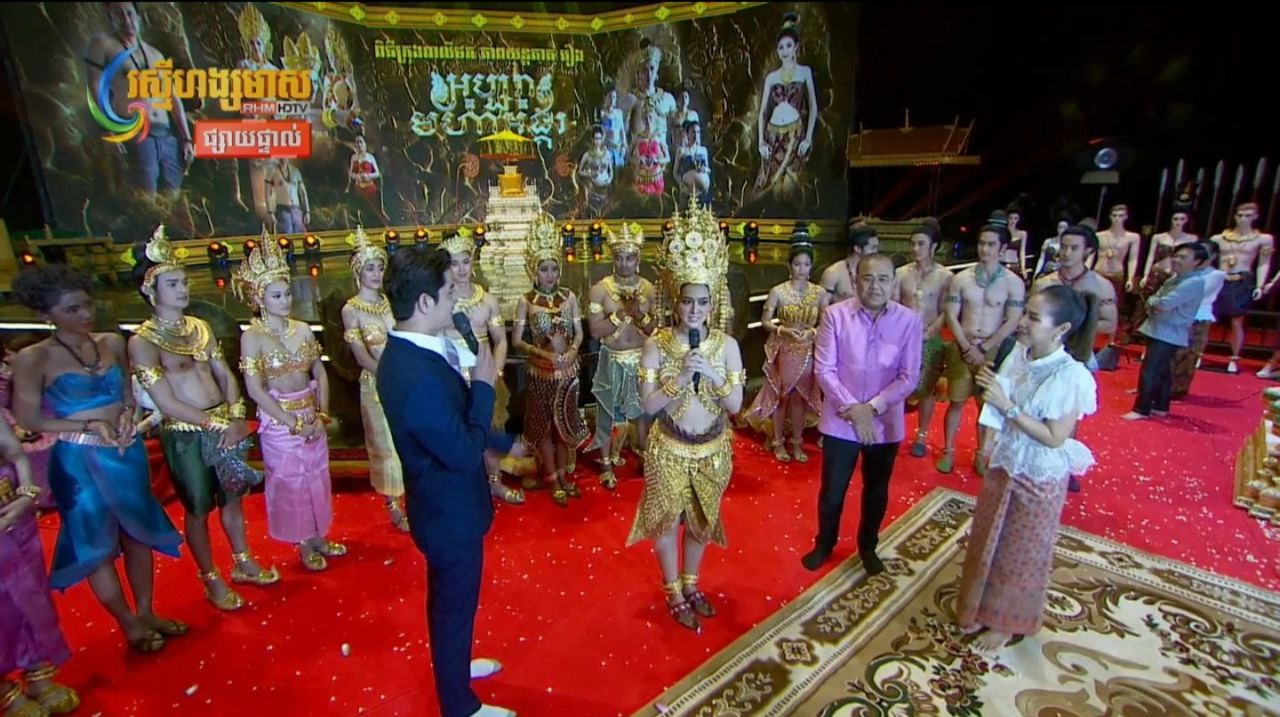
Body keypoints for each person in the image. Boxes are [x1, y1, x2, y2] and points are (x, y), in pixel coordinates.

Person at [377, 246, 524, 717]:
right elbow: (461, 451)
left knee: (451, 604)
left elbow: (450, 419)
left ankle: (454, 667)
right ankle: (460, 706)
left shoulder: (413, 352)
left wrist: (503, 441)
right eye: (447, 292)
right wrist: (483, 385)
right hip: (447, 513)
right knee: (452, 606)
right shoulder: (412, 373)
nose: (455, 299)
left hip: (444, 507)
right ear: (424, 302)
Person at [10, 265, 184, 653]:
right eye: (71, 310)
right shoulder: (34, 358)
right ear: (45, 314)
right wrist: (88, 424)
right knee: (96, 545)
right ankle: (128, 624)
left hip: (125, 450)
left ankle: (146, 611)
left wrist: (128, 416)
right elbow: (28, 418)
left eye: (87, 304)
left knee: (139, 533)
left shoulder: (111, 342)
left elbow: (127, 394)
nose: (85, 314)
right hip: (77, 459)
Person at [130, 226, 278, 612]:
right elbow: (165, 401)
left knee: (233, 498)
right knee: (198, 508)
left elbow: (224, 374)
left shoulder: (200, 327)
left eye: (183, 282)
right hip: (186, 434)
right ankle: (210, 577)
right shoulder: (143, 341)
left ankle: (243, 561)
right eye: (172, 284)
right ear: (150, 290)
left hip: (224, 422)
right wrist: (216, 425)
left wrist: (236, 414)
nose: (183, 289)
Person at [958, 285, 1098, 653]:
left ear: (1061, 329)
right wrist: (988, 437)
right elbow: (997, 404)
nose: (1021, 323)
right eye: (1025, 313)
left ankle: (1006, 623)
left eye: (1033, 318)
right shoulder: (1019, 355)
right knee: (989, 538)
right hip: (1005, 461)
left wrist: (1007, 406)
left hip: (1038, 473)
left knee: (1021, 551)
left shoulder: (1071, 376)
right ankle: (980, 608)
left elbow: (1054, 437)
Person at [628, 201, 745, 632]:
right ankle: (673, 589)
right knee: (665, 521)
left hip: (713, 448)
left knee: (701, 521)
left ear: (713, 303)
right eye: (688, 301)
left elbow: (735, 406)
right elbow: (647, 406)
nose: (695, 310)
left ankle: (692, 582)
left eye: (703, 302)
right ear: (676, 302)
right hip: (669, 447)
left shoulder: (726, 346)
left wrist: (711, 374)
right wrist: (679, 377)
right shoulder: (656, 345)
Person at [802, 254, 922, 576]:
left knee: (876, 491)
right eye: (868, 278)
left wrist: (872, 408)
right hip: (841, 420)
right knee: (832, 492)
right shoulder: (834, 315)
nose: (875, 286)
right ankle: (824, 543)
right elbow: (824, 370)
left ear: (893, 283)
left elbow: (909, 377)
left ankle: (868, 546)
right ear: (855, 281)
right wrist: (855, 410)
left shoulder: (909, 321)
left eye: (883, 279)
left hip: (884, 423)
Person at [236, 234, 345, 571]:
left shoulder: (302, 329)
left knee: (318, 477)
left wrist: (321, 414)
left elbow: (319, 373)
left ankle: (319, 535)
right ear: (259, 297)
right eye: (276, 295)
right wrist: (293, 424)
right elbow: (255, 390)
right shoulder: (252, 337)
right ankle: (302, 542)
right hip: (279, 419)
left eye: (287, 294)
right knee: (291, 482)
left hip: (310, 412)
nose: (285, 301)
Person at [0, 419, 81, 717]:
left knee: (30, 593)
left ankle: (39, 677)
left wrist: (26, 493)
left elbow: (16, 453)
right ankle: (5, 693)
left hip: (13, 511)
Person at [511, 213, 589, 506]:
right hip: (541, 372)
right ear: (534, 271)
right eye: (544, 269)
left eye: (554, 269)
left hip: (568, 371)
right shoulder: (527, 301)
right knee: (545, 426)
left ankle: (565, 475)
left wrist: (572, 351)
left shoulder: (569, 297)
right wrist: (544, 354)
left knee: (564, 425)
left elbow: (579, 332)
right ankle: (552, 478)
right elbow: (517, 341)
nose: (550, 275)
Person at [442, 229, 524, 505]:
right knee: (457, 434)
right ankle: (464, 487)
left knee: (491, 430)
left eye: (465, 262)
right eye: (454, 263)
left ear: (472, 262)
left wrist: (495, 372)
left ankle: (495, 482)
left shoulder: (487, 300)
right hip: (453, 379)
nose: (461, 269)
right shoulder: (441, 303)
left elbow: (500, 341)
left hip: (485, 376)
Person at [937, 223, 1026, 474]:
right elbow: (951, 315)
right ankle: (948, 452)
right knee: (956, 402)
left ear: (1003, 248)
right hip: (962, 346)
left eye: (991, 244)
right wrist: (967, 347)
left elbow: (1013, 321)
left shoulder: (1013, 283)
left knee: (986, 405)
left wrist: (985, 347)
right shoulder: (961, 278)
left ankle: (981, 454)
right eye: (981, 243)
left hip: (993, 350)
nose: (985, 249)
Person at [84, 2, 194, 198]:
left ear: (138, 18)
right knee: (144, 199)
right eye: (119, 14)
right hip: (136, 132)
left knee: (173, 198)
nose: (126, 20)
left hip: (165, 132)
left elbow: (173, 97)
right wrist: (107, 131)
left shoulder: (155, 54)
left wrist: (186, 139)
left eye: (130, 14)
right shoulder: (103, 44)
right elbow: (95, 87)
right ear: (111, 18)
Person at [743, 225, 828, 463]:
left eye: (806, 265)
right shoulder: (778, 292)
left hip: (807, 350)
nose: (802, 269)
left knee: (800, 399)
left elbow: (826, 322)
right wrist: (782, 330)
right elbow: (765, 321)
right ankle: (778, 442)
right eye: (797, 264)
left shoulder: (820, 293)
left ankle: (797, 443)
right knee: (782, 396)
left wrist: (812, 332)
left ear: (811, 266)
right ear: (790, 266)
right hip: (784, 350)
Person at [341, 226, 408, 529]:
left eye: (380, 267)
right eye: (370, 268)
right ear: (358, 272)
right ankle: (394, 505)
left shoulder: (389, 301)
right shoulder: (351, 310)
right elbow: (360, 356)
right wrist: (388, 376)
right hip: (376, 384)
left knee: (408, 440)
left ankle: (415, 498)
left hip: (403, 381)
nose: (376, 274)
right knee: (385, 444)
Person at [585, 223, 657, 490]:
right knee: (606, 411)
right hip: (612, 356)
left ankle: (644, 456)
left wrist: (639, 315)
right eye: (619, 258)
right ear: (612, 258)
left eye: (629, 258)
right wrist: (621, 314)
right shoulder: (600, 290)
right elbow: (595, 331)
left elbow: (656, 330)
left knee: (644, 411)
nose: (624, 263)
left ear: (638, 259)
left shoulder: (649, 289)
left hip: (641, 357)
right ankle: (605, 464)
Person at [1123, 243, 1209, 421]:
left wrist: (1155, 303)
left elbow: (1163, 303)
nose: (1176, 260)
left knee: (1151, 370)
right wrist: (1154, 303)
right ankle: (1160, 406)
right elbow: (1154, 299)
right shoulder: (1173, 279)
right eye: (1175, 256)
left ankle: (1142, 408)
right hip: (1159, 328)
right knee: (1162, 371)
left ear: (1197, 262)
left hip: (1169, 332)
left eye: (1183, 257)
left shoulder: (1193, 282)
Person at [893, 220, 952, 458]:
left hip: (930, 338)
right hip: (903, 339)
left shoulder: (945, 276)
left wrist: (932, 330)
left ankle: (922, 435)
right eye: (913, 244)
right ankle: (895, 430)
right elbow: (894, 304)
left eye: (921, 244)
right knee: (896, 386)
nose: (915, 248)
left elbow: (947, 310)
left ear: (934, 247)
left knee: (927, 389)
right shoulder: (901, 273)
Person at [754, 12, 819, 200]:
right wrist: (761, 142)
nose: (785, 51)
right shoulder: (771, 77)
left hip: (794, 136)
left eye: (789, 46)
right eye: (781, 47)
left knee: (789, 189)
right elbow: (762, 112)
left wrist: (808, 139)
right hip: (773, 137)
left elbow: (813, 106)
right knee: (774, 191)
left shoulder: (804, 72)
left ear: (796, 47)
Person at [1210, 203, 1276, 374]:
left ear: (1255, 217)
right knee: (1206, 318)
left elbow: (1263, 263)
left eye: (1247, 216)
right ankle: (1199, 353)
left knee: (1237, 320)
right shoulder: (1219, 238)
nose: (1242, 219)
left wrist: (1260, 285)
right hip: (1220, 278)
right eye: (1240, 215)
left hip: (1241, 280)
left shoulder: (1262, 239)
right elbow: (1208, 259)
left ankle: (1234, 358)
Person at [1173, 242, 1225, 394]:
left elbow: (1198, 293)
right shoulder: (1184, 271)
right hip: (1177, 315)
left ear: (1213, 256)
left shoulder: (1216, 275)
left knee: (1187, 354)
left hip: (1197, 317)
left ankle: (1178, 388)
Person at [820, 225, 880, 303]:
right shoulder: (833, 272)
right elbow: (822, 306)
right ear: (857, 249)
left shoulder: (877, 271)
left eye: (877, 248)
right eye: (873, 248)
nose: (876, 252)